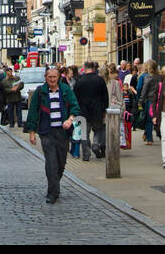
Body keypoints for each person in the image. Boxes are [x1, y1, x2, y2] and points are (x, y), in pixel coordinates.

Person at [24, 67, 82, 204]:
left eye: (54, 77)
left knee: (61, 162)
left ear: (58, 77)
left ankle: (54, 183)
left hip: (62, 132)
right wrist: (32, 133)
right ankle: (53, 193)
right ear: (45, 77)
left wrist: (70, 120)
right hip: (46, 132)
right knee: (51, 162)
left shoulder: (66, 90)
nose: (52, 80)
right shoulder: (40, 92)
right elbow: (33, 112)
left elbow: (75, 108)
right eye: (49, 77)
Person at [72, 61, 109, 161]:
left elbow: (75, 97)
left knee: (84, 133)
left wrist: (75, 110)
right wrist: (104, 109)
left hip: (83, 111)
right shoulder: (100, 80)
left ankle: (86, 154)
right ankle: (96, 144)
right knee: (97, 130)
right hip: (97, 110)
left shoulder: (79, 80)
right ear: (94, 68)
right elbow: (105, 96)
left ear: (84, 68)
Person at [138, 60, 160, 144]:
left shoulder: (147, 77)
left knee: (149, 119)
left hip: (150, 100)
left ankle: (149, 139)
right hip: (158, 99)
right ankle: (158, 134)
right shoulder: (159, 77)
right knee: (158, 118)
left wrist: (141, 100)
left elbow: (144, 90)